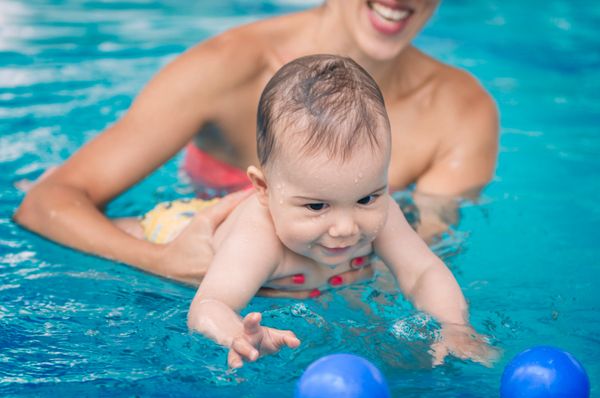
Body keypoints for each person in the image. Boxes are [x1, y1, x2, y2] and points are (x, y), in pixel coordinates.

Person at [14, 0, 498, 292]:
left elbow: (424, 255)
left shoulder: (461, 112)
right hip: (194, 240)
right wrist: (163, 262)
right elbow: (45, 204)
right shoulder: (227, 68)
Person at [120, 54, 496, 368]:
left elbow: (424, 272)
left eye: (367, 198)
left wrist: (453, 326)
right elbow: (208, 304)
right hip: (177, 225)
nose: (346, 228)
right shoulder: (257, 237)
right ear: (263, 189)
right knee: (130, 230)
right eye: (317, 206)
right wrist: (235, 333)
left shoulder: (384, 214)